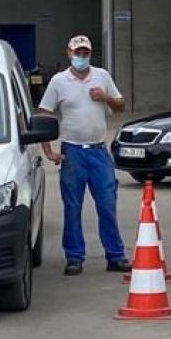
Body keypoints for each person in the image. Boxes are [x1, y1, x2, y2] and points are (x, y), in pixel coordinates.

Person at [38, 35, 131, 276]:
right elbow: (43, 115)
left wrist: (106, 97)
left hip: (98, 150)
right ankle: (74, 257)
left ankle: (115, 255)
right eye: (77, 53)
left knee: (107, 205)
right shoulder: (59, 81)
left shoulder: (102, 76)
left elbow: (120, 105)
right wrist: (49, 151)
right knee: (72, 207)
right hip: (73, 152)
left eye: (85, 53)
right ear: (68, 53)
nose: (82, 57)